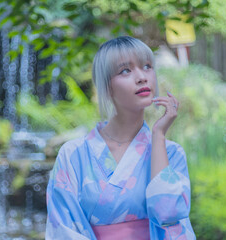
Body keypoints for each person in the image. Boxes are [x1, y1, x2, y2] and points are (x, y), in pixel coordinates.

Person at [45, 36, 196, 240]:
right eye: (125, 70)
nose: (142, 77)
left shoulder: (171, 152)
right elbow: (62, 229)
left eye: (147, 66)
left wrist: (158, 135)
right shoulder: (73, 154)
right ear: (106, 86)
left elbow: (169, 217)